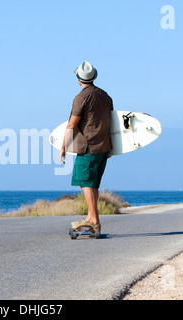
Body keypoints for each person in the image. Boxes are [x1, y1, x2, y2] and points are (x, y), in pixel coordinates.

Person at [59, 61, 113, 233]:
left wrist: (63, 147)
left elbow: (71, 126)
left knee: (85, 183)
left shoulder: (81, 98)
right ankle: (90, 217)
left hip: (88, 148)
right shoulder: (105, 96)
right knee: (93, 184)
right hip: (103, 148)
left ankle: (94, 221)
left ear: (78, 79)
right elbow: (111, 123)